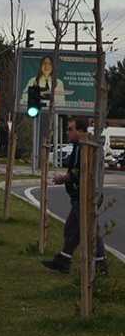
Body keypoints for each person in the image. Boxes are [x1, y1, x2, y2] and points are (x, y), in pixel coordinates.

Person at [42, 116, 109, 276]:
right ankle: (64, 260)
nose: (68, 132)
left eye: (71, 129)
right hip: (79, 195)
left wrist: (63, 178)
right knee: (72, 229)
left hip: (86, 195)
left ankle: (100, 264)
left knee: (90, 230)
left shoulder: (84, 148)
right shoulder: (79, 146)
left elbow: (82, 171)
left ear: (80, 131)